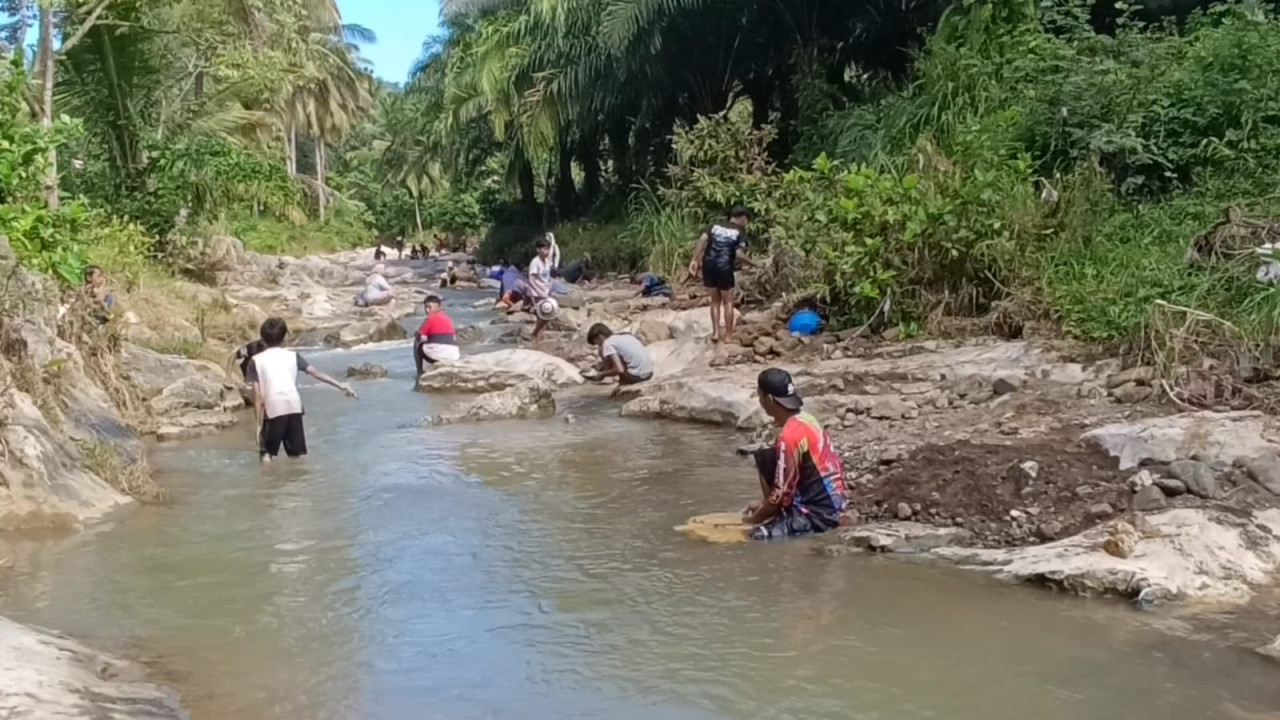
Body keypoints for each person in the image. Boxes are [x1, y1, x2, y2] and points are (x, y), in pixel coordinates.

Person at [743, 368, 847, 541]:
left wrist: (751, 521)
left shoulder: (789, 436)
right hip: (834, 503)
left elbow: (780, 497)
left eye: (760, 396)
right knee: (766, 458)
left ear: (768, 399)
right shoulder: (807, 419)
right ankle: (775, 515)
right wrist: (764, 506)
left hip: (819, 514)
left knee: (756, 536)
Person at [248, 318, 357, 463]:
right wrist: (340, 385)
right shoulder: (293, 356)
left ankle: (269, 478)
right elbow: (316, 373)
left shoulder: (256, 360)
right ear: (284, 337)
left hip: (273, 407)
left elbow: (258, 396)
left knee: (266, 454)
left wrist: (258, 425)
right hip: (294, 406)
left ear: (262, 338)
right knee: (295, 455)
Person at [689, 206, 757, 343]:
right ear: (743, 218)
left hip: (708, 265)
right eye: (747, 221)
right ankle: (728, 336)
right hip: (724, 266)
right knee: (728, 302)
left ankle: (715, 333)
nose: (746, 224)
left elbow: (702, 239)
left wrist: (694, 260)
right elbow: (738, 254)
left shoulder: (714, 225)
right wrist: (754, 264)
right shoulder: (740, 231)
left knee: (715, 301)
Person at [586, 324, 653, 385]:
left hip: (638, 376)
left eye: (597, 343)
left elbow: (619, 369)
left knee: (614, 362)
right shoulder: (625, 335)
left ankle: (623, 384)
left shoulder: (607, 343)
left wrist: (601, 374)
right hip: (649, 373)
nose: (599, 346)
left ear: (600, 337)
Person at [413, 295, 460, 375]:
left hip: (438, 354)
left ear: (438, 307)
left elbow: (421, 337)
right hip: (454, 355)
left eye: (429, 307)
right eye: (425, 307)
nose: (427, 310)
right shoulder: (447, 319)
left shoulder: (430, 319)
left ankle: (419, 371)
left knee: (417, 343)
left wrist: (418, 334)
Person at [528, 237, 559, 342]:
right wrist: (538, 291)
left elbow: (548, 277)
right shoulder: (535, 262)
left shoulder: (547, 261)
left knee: (547, 316)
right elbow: (531, 279)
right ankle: (535, 335)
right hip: (537, 293)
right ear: (538, 250)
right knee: (541, 316)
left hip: (546, 291)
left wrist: (549, 287)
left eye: (547, 249)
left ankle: (539, 337)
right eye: (544, 249)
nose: (546, 251)